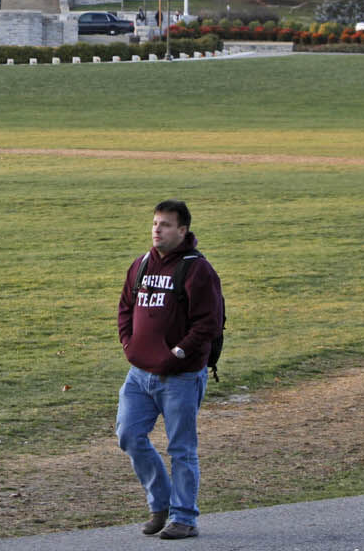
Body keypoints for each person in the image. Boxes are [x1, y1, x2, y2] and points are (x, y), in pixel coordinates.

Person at [116, 200, 223, 541]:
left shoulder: (197, 270)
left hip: (181, 377)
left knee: (181, 449)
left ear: (183, 230)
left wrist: (178, 352)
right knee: (129, 436)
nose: (157, 230)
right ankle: (160, 503)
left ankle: (185, 517)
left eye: (165, 225)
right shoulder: (142, 264)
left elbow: (210, 322)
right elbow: (125, 308)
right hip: (139, 375)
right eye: (154, 223)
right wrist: (128, 345)